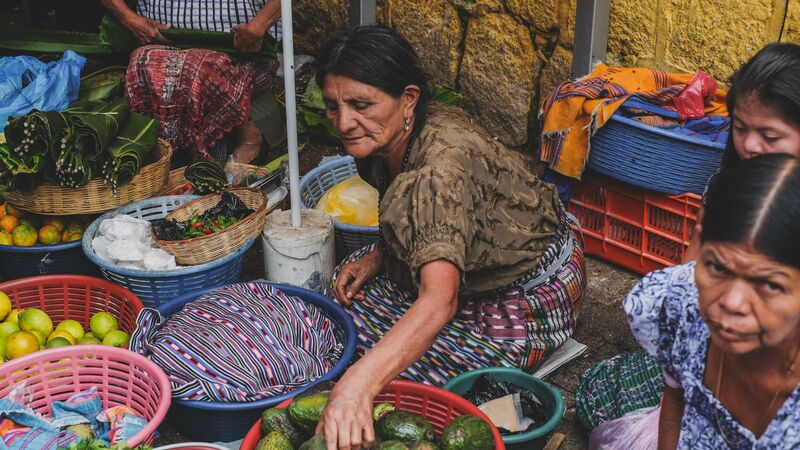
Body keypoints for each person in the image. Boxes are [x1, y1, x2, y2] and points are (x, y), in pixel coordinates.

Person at [313, 26, 587, 449]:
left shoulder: (439, 171)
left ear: (408, 99)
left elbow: (440, 300)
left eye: (361, 105)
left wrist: (356, 387)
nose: (344, 122)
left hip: (530, 291)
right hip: (478, 249)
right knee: (339, 308)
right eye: (333, 107)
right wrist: (378, 258)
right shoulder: (398, 135)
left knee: (407, 390)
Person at [622, 153, 800, 448]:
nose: (731, 302)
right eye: (718, 268)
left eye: (770, 284)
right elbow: (675, 404)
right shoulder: (682, 304)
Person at [99, 0, 281, 164]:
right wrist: (129, 18)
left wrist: (259, 26)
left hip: (239, 46)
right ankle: (168, 148)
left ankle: (247, 134)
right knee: (142, 60)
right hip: (162, 41)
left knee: (195, 69)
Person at [683, 42, 800, 261]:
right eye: (740, 128)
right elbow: (693, 261)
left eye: (770, 136)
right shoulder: (725, 184)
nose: (750, 146)